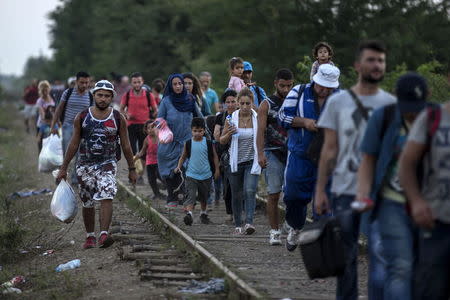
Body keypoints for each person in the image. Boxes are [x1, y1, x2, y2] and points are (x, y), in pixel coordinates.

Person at [314, 40, 396, 300]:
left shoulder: (391, 105)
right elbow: (329, 149)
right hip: (344, 190)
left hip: (380, 193)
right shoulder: (339, 103)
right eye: (371, 60)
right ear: (358, 65)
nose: (376, 65)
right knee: (346, 259)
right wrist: (320, 190)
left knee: (381, 258)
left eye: (380, 61)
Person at [357, 73, 428, 300]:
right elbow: (368, 160)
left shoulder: (437, 118)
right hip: (390, 204)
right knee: (397, 267)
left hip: (427, 206)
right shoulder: (384, 117)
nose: (413, 113)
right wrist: (363, 195)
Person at [56, 80, 137, 249]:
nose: (103, 99)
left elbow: (126, 145)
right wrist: (63, 168)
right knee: (87, 202)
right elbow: (73, 144)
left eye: (107, 96)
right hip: (84, 165)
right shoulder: (83, 117)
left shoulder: (117, 118)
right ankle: (90, 236)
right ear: (94, 95)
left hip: (107, 163)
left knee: (107, 194)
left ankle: (104, 234)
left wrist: (132, 168)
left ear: (111, 98)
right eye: (100, 95)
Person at [278, 64, 340, 251]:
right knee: (293, 197)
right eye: (321, 86)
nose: (324, 91)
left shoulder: (340, 97)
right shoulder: (299, 92)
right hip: (300, 155)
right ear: (315, 81)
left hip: (328, 157)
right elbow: (282, 117)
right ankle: (296, 226)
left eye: (329, 88)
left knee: (325, 203)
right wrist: (304, 122)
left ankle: (319, 245)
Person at [399, 82, 450, 300]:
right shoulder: (432, 118)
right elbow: (406, 165)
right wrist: (417, 201)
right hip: (436, 221)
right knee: (431, 290)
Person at [256, 68, 294, 245]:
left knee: (293, 194)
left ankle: (289, 223)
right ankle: (274, 231)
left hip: (293, 153)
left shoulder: (295, 101)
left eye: (289, 86)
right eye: (282, 86)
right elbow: (261, 131)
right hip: (272, 152)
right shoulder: (267, 103)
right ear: (275, 84)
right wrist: (260, 153)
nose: (286, 89)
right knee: (273, 194)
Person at [220, 87, 261, 235]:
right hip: (234, 162)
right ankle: (238, 224)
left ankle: (249, 222)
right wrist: (229, 133)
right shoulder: (231, 119)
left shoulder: (258, 118)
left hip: (252, 160)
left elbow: (263, 139)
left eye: (247, 104)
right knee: (236, 194)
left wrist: (263, 155)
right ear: (238, 103)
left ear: (252, 103)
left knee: (249, 190)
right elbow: (222, 141)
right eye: (242, 103)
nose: (244, 107)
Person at [158, 74, 202, 208]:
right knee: (170, 170)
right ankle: (172, 197)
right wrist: (164, 131)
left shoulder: (190, 99)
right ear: (171, 86)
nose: (178, 86)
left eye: (180, 84)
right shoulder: (166, 101)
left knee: (186, 168)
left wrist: (203, 132)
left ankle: (185, 196)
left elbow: (199, 117)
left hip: (187, 141)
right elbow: (159, 120)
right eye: (175, 84)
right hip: (170, 142)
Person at [175, 117, 220, 225]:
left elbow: (214, 157)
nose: (197, 133)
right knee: (191, 195)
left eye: (200, 131)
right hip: (191, 174)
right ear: (191, 130)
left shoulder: (209, 143)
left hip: (206, 175)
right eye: (195, 131)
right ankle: (189, 214)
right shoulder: (188, 143)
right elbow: (183, 156)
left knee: (204, 196)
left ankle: (203, 213)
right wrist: (178, 166)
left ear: (204, 131)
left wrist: (217, 170)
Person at [51, 71, 93, 185]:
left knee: (80, 154)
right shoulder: (68, 93)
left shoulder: (90, 96)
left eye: (86, 83)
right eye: (82, 82)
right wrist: (53, 124)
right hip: (68, 126)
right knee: (66, 153)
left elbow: (92, 113)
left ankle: (75, 178)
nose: (84, 85)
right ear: (76, 81)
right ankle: (61, 174)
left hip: (83, 129)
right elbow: (59, 109)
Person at [120, 72, 158, 155]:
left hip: (145, 126)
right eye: (134, 82)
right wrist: (126, 114)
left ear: (142, 82)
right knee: (131, 149)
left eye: (139, 82)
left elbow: (156, 110)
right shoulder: (127, 95)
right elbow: (121, 110)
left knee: (143, 150)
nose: (137, 84)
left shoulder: (149, 95)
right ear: (131, 83)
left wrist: (153, 122)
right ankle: (133, 167)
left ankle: (142, 167)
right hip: (131, 126)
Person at [214, 89, 238, 220]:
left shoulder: (243, 115)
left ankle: (239, 211)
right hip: (226, 154)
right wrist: (227, 131)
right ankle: (231, 212)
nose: (230, 104)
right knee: (228, 185)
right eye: (227, 102)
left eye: (233, 101)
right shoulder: (220, 117)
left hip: (241, 152)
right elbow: (216, 136)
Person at [135, 120, 163, 200]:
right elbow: (142, 152)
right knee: (151, 179)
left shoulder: (160, 138)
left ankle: (168, 187)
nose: (151, 129)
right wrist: (136, 157)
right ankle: (157, 194)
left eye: (153, 127)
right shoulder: (147, 140)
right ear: (146, 130)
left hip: (159, 162)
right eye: (148, 128)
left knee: (160, 176)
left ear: (157, 128)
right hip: (149, 162)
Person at [35, 80, 56, 152]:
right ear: (41, 90)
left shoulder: (52, 99)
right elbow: (42, 113)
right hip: (41, 124)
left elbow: (54, 111)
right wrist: (46, 120)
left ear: (48, 89)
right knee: (40, 144)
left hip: (52, 124)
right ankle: (41, 161)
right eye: (43, 90)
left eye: (46, 89)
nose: (45, 91)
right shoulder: (39, 101)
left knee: (51, 145)